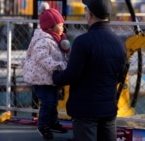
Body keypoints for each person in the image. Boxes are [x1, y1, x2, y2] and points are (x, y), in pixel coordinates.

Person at [52, 0, 127, 141]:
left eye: (86, 11)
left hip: (85, 110)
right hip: (108, 109)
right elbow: (120, 75)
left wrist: (55, 76)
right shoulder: (119, 43)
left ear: (90, 15)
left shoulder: (83, 42)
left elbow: (72, 75)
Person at [22, 2, 69, 140]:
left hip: (48, 78)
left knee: (53, 100)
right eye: (60, 25)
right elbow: (42, 57)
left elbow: (60, 54)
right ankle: (43, 125)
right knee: (48, 102)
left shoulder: (56, 38)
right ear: (50, 27)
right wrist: (58, 65)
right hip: (40, 78)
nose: (63, 27)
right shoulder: (43, 40)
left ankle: (53, 122)